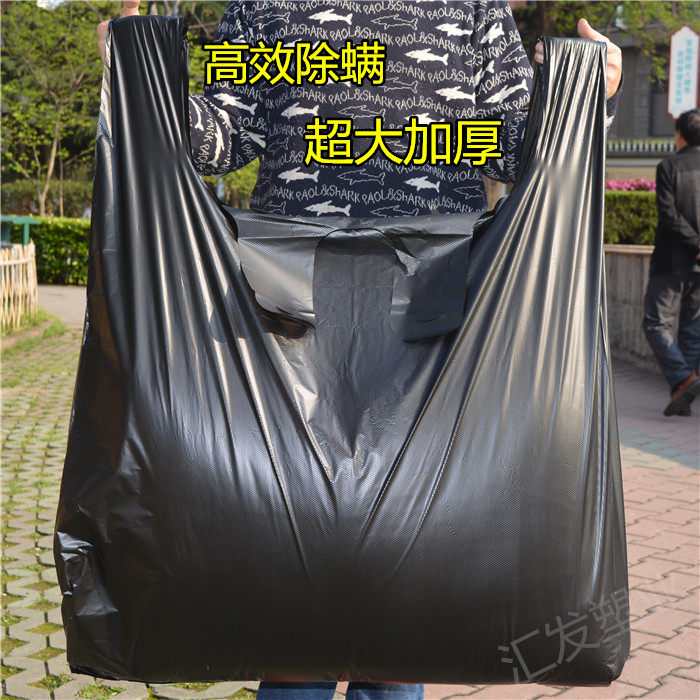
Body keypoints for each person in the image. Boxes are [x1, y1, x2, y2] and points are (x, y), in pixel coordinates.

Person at [97, 2, 622, 698]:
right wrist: (136, 79)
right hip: (290, 301)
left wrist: (591, 97)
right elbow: (228, 129)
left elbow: (513, 143)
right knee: (292, 546)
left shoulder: (471, 7)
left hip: (433, 300)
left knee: (413, 562)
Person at [643, 108, 700, 417]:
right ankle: (684, 396)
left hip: (671, 260)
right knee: (692, 329)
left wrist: (695, 245)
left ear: (679, 135)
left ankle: (682, 379)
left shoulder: (668, 166)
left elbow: (669, 215)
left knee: (655, 322)